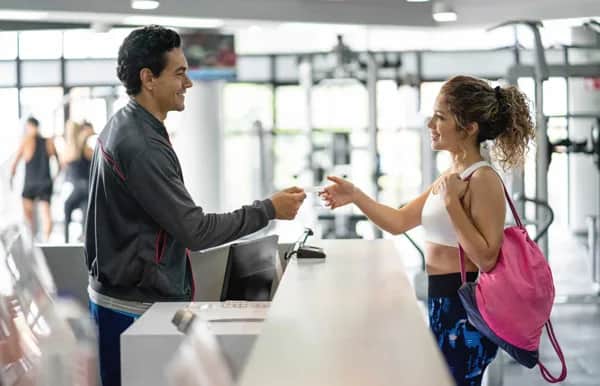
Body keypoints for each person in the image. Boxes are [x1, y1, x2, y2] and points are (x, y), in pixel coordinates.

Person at [84, 25, 306, 386]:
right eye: (180, 73)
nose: (188, 83)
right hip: (133, 309)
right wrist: (268, 209)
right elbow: (195, 231)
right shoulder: (141, 144)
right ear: (148, 79)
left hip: (121, 299)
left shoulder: (127, 124)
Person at [320, 75, 535, 386]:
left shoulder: (483, 178)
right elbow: (399, 221)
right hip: (442, 300)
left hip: (464, 305)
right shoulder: (451, 176)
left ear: (469, 127)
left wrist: (451, 204)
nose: (430, 124)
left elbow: (487, 258)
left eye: (441, 116)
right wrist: (355, 196)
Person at [10, 117, 60, 241]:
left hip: (30, 183)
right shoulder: (48, 142)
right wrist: (54, 178)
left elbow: (14, 165)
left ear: (29, 126)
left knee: (28, 217)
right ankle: (47, 241)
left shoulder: (26, 141)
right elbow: (59, 163)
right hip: (45, 183)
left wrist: (11, 179)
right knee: (46, 214)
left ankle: (30, 242)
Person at [61, 120, 94, 242]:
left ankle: (66, 239)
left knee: (67, 206)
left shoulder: (75, 148)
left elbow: (65, 161)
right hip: (87, 186)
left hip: (81, 185)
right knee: (84, 206)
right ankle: (84, 236)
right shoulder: (82, 147)